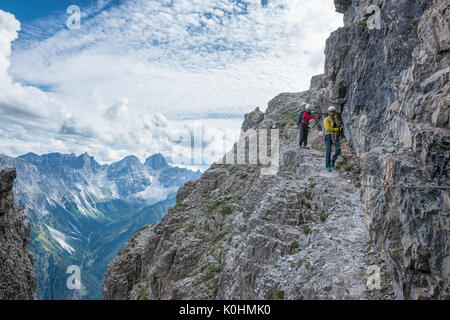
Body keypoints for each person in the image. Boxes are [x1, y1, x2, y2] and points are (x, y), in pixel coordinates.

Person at [323, 106, 342, 172]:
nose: (332, 113)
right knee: (328, 151)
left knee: (338, 150)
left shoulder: (335, 120)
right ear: (328, 112)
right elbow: (327, 127)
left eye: (333, 112)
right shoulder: (326, 119)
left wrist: (339, 129)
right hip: (328, 136)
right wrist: (337, 129)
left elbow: (338, 126)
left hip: (335, 136)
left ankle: (332, 161)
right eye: (331, 112)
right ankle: (328, 166)